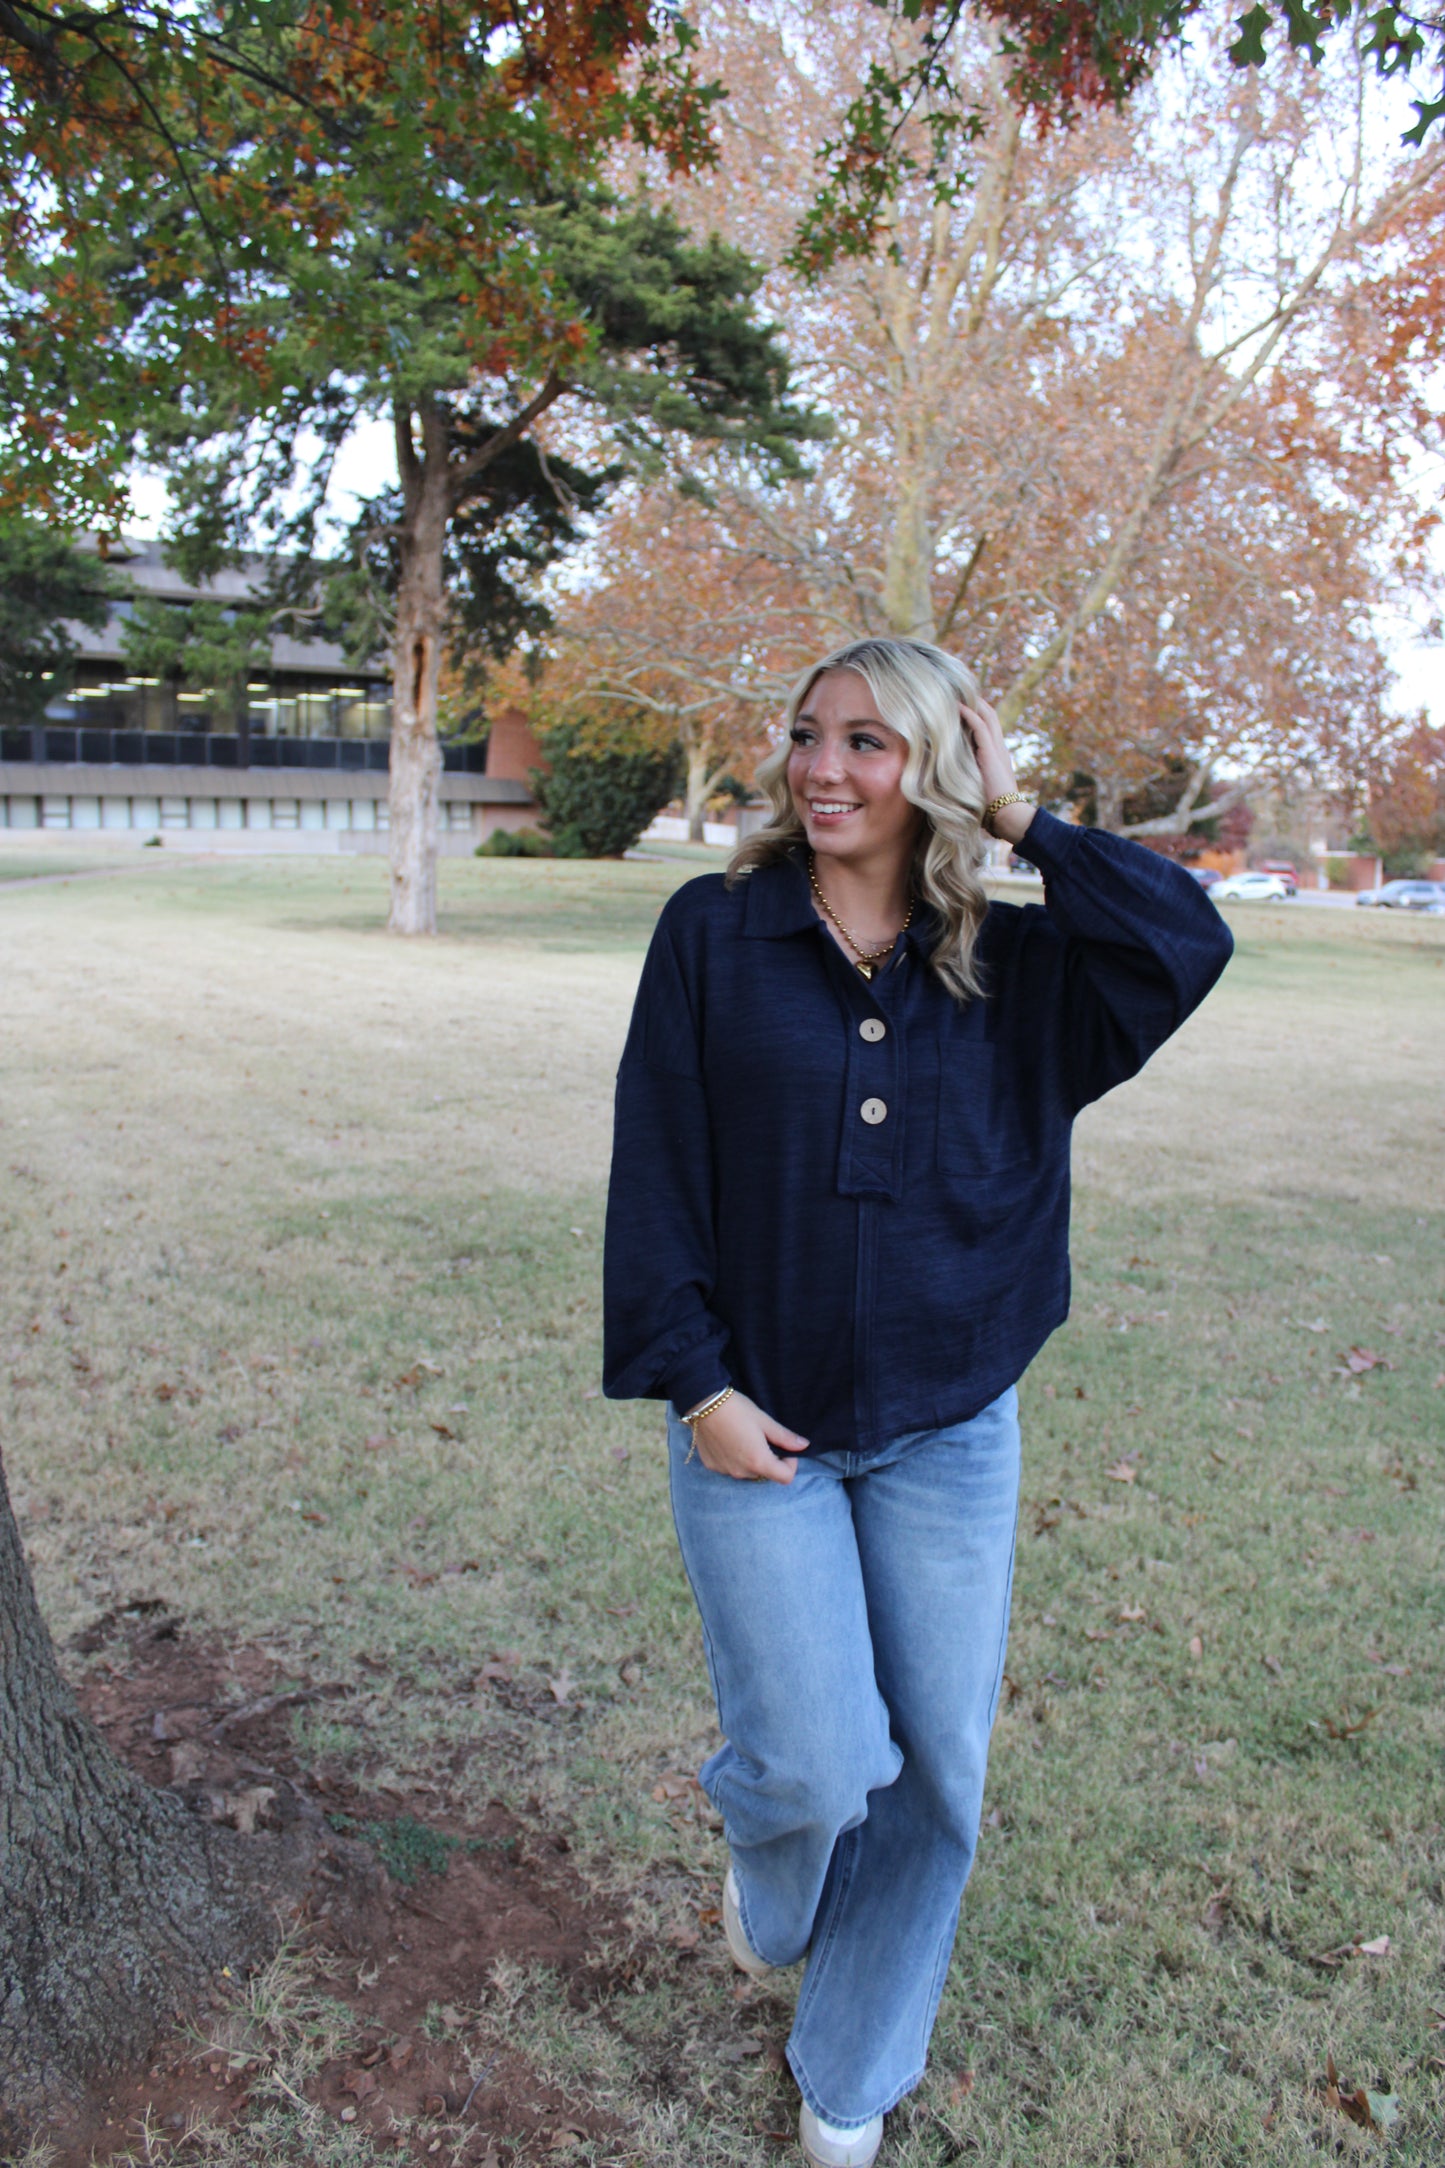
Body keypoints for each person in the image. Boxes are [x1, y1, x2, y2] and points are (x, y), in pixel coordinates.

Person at [602, 637, 1233, 2168]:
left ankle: (848, 2073)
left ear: (937, 763)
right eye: (809, 735)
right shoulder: (715, 931)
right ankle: (776, 1852)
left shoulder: (1023, 971)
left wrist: (1016, 816)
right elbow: (656, 1168)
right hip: (759, 1429)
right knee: (818, 1767)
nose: (822, 768)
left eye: (870, 743)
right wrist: (693, 1385)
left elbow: (1186, 941)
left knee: (935, 1780)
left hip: (950, 1429)